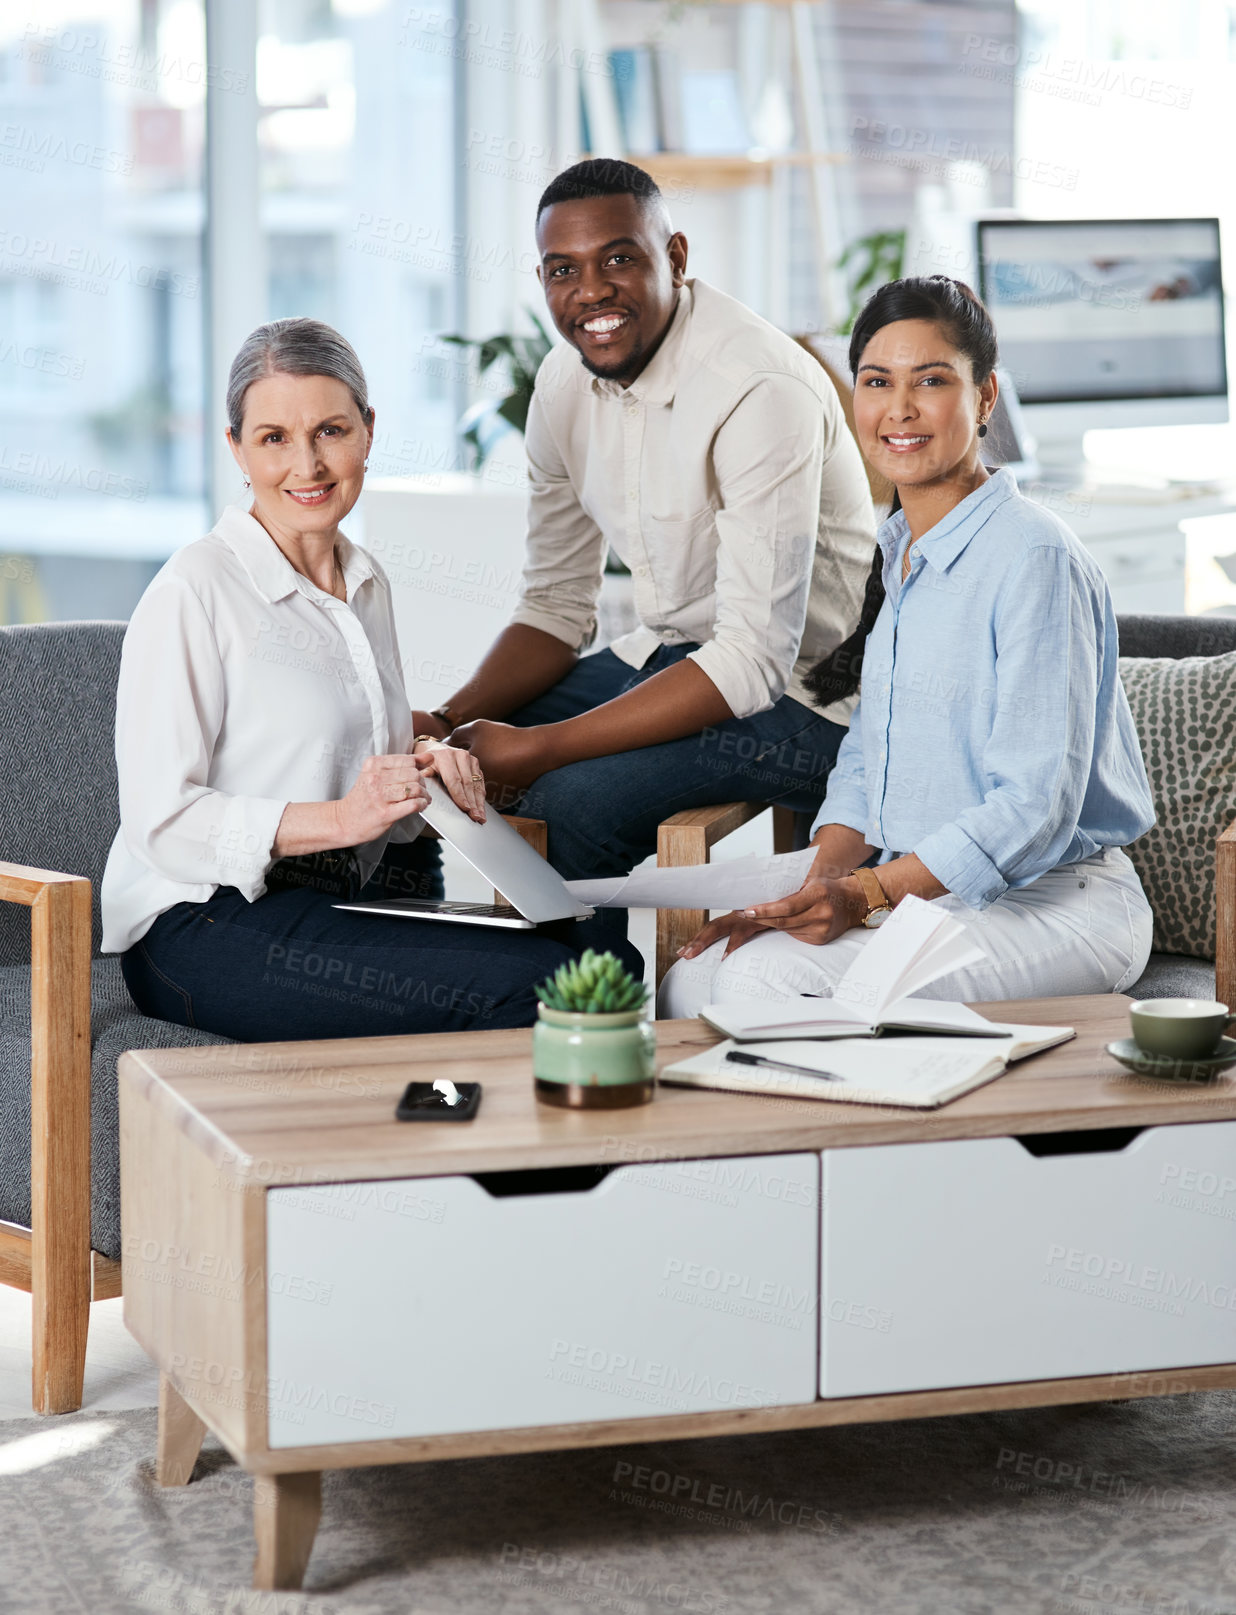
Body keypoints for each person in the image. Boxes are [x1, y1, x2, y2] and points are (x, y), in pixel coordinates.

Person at [102, 317, 640, 1043]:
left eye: (330, 430)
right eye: (273, 438)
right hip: (200, 923)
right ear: (236, 448)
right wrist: (344, 819)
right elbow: (161, 820)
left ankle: (458, 1145)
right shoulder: (193, 591)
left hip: (335, 898)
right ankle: (460, 1147)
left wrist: (421, 766)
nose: (308, 464)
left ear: (368, 430)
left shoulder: (365, 582)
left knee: (607, 963)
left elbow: (353, 770)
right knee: (545, 989)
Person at [658, 275, 1155, 1017]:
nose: (899, 408)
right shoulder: (904, 555)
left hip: (1060, 905)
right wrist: (813, 888)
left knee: (758, 983)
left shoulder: (1034, 558)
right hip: (929, 898)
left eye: (931, 381)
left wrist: (864, 894)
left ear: (985, 398)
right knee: (693, 975)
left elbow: (1032, 803)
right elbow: (866, 760)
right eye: (876, 381)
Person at [412, 159, 876, 911]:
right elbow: (555, 607)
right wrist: (446, 717)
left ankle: (587, 1023)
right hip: (679, 653)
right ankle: (465, 982)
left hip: (813, 700)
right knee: (433, 763)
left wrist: (537, 749)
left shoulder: (758, 390)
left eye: (619, 259)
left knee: (569, 804)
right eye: (564, 269)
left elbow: (753, 663)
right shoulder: (563, 390)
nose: (590, 291)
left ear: (678, 259)